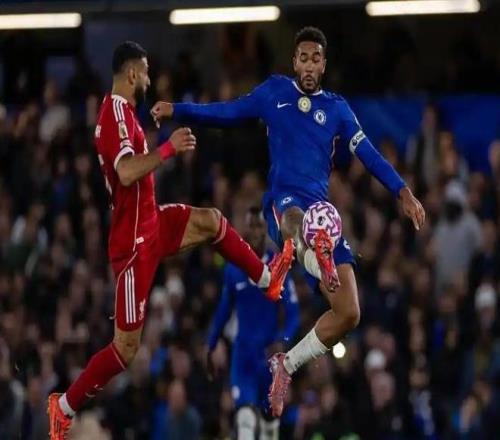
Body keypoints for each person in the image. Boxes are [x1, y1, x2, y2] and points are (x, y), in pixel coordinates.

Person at [150, 26, 425, 416]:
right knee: (297, 220)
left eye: (316, 59)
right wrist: (178, 109)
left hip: (321, 213)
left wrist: (402, 191)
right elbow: (227, 112)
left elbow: (369, 155)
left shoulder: (337, 109)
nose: (309, 65)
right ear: (295, 61)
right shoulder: (274, 92)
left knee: (349, 312)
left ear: (324, 65)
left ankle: (288, 363)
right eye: (303, 58)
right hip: (283, 203)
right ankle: (306, 253)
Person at [47, 41, 294, 439]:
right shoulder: (115, 114)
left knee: (212, 221)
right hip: (133, 245)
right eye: (145, 72)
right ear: (132, 73)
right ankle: (63, 408)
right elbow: (126, 172)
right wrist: (168, 149)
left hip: (152, 223)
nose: (149, 79)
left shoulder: (124, 113)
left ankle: (268, 278)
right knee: (125, 349)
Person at [205, 207, 300, 440]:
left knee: (269, 424)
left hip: (269, 356)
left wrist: (283, 340)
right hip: (243, 355)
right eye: (252, 227)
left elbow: (293, 313)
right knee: (244, 417)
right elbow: (223, 311)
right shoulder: (233, 270)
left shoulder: (279, 266)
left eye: (259, 226)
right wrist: (211, 344)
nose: (256, 232)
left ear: (266, 229)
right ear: (245, 230)